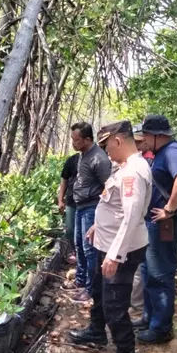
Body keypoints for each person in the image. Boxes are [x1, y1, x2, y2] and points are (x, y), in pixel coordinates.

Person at [68, 121, 151, 353]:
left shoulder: (132, 172)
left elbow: (132, 216)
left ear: (117, 141)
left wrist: (115, 255)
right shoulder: (125, 167)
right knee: (99, 291)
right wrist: (98, 227)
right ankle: (96, 331)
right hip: (107, 242)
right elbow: (114, 207)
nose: (105, 152)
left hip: (121, 250)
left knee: (115, 305)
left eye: (106, 146)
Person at [135, 114, 177, 344]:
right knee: (148, 271)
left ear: (158, 136)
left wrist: (169, 209)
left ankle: (161, 328)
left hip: (164, 224)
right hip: (155, 223)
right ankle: (150, 318)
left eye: (147, 135)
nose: (145, 139)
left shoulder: (172, 151)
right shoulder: (162, 152)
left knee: (160, 274)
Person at [69, 122, 112, 303]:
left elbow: (109, 186)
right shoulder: (83, 155)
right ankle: (80, 280)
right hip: (80, 206)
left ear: (87, 139)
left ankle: (91, 288)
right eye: (72, 139)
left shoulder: (99, 159)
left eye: (76, 140)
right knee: (79, 245)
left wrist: (101, 213)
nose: (73, 143)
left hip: (92, 207)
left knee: (90, 249)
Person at [130, 124, 153, 312]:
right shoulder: (142, 161)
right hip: (143, 220)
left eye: (139, 141)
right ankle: (139, 304)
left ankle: (138, 304)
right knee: (140, 267)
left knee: (141, 266)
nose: (137, 145)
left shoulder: (144, 163)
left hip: (145, 220)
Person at [58, 152, 80, 266]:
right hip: (71, 201)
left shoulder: (96, 158)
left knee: (83, 231)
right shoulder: (72, 160)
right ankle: (74, 251)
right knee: (70, 230)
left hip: (88, 203)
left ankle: (81, 255)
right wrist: (60, 200)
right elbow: (64, 181)